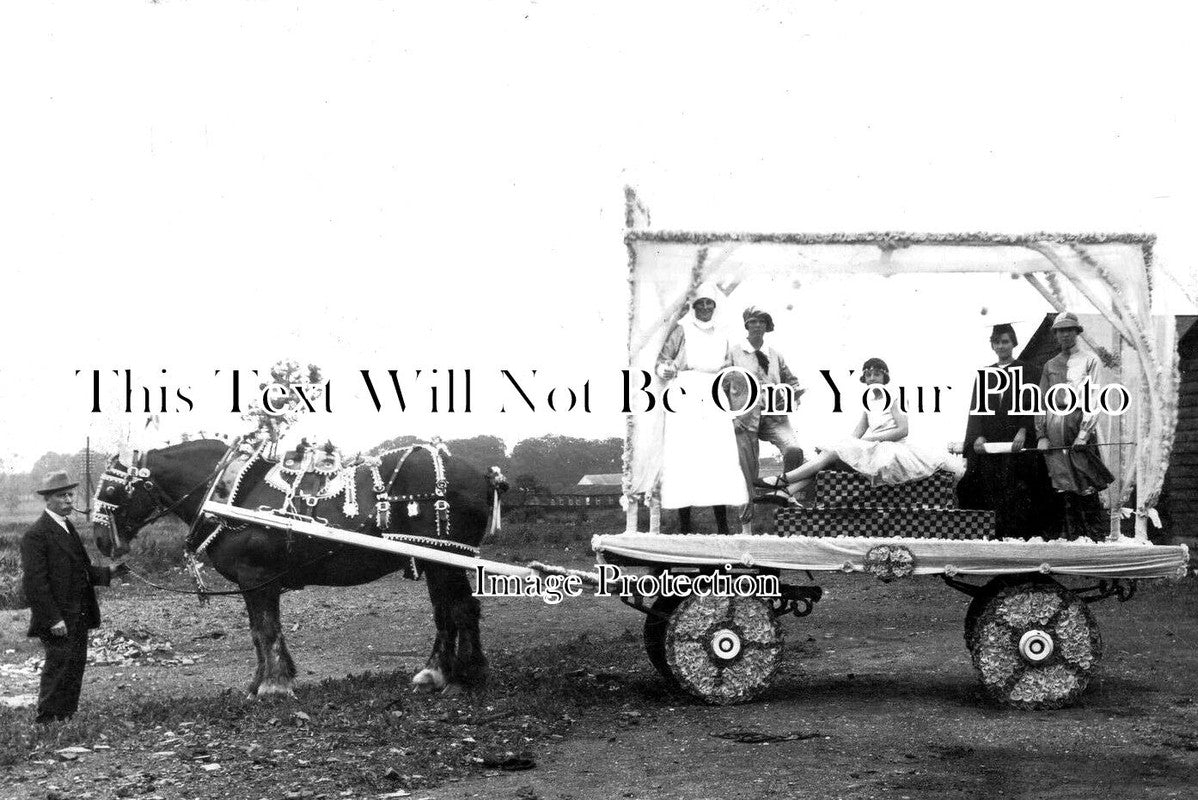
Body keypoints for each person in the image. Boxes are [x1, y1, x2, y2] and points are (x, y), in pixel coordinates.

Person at [757, 358, 963, 504]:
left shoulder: (894, 397)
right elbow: (856, 433)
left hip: (892, 452)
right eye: (869, 375)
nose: (872, 378)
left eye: (877, 374)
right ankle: (786, 492)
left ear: (885, 377)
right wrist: (839, 446)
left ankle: (783, 480)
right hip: (874, 449)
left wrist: (868, 441)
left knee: (835, 454)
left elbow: (903, 430)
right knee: (832, 455)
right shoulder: (869, 403)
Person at [20, 470, 127, 723]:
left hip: (78, 612)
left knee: (74, 665)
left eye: (70, 495)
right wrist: (53, 619)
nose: (68, 500)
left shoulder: (67, 526)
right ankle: (47, 718)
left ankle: (66, 715)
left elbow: (81, 569)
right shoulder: (36, 534)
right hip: (58, 617)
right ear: (48, 499)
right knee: (58, 665)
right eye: (62, 496)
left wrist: (110, 572)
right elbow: (35, 584)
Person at [656, 283, 749, 531]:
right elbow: (663, 360)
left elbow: (729, 368)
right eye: (701, 303)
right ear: (694, 306)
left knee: (717, 456)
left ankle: (723, 526)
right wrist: (666, 369)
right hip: (685, 392)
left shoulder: (723, 333)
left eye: (710, 303)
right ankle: (685, 526)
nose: (706, 307)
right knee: (686, 455)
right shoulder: (681, 330)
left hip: (714, 394)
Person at [956, 323, 1059, 539]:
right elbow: (976, 408)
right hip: (991, 442)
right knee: (988, 485)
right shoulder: (985, 375)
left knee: (1019, 488)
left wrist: (1024, 430)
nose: (1001, 346)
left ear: (1014, 343)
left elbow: (1034, 404)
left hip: (1018, 442)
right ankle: (993, 534)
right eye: (997, 342)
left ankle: (1020, 535)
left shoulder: (1029, 371)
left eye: (1005, 341)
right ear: (992, 345)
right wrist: (977, 436)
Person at [1034, 312, 1114, 541]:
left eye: (1069, 329)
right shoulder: (1050, 365)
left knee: (1085, 480)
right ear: (1056, 334)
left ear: (1077, 332)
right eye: (1060, 330)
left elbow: (1094, 398)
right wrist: (1041, 434)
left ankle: (1096, 538)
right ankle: (1073, 538)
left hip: (1077, 424)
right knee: (1063, 484)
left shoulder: (1090, 360)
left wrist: (1084, 433)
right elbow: (1041, 401)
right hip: (1054, 427)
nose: (1065, 334)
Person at [725, 306, 805, 533]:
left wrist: (795, 392)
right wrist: (731, 415)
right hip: (745, 417)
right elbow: (722, 384)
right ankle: (746, 529)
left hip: (774, 415)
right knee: (746, 471)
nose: (758, 325)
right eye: (753, 321)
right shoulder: (735, 353)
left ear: (767, 326)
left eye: (762, 321)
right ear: (746, 325)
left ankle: (785, 493)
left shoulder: (775, 354)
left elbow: (791, 380)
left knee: (794, 450)